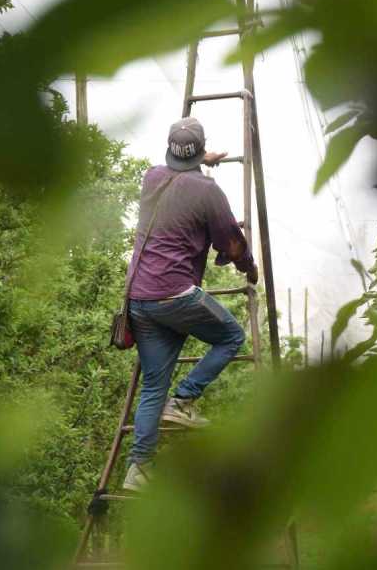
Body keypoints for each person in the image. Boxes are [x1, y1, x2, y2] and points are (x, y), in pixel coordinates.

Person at [122, 117, 259, 492]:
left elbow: (177, 177)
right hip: (174, 295)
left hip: (139, 299)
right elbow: (230, 244)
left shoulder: (151, 178)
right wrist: (249, 267)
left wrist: (197, 161)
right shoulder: (207, 191)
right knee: (231, 337)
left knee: (153, 385)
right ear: (199, 150)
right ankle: (183, 401)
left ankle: (139, 469)